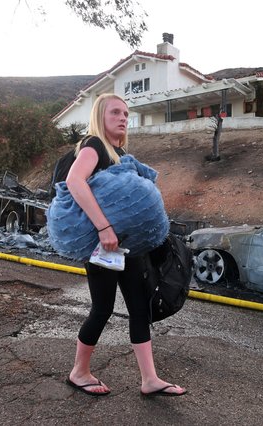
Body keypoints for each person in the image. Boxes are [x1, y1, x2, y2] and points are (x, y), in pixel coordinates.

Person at [64, 93, 187, 397]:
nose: (123, 117)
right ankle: (79, 372)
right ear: (100, 117)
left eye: (126, 113)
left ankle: (150, 379)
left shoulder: (119, 153)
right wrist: (104, 228)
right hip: (104, 245)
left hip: (128, 246)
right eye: (115, 112)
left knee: (139, 307)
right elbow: (74, 181)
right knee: (103, 308)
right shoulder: (94, 146)